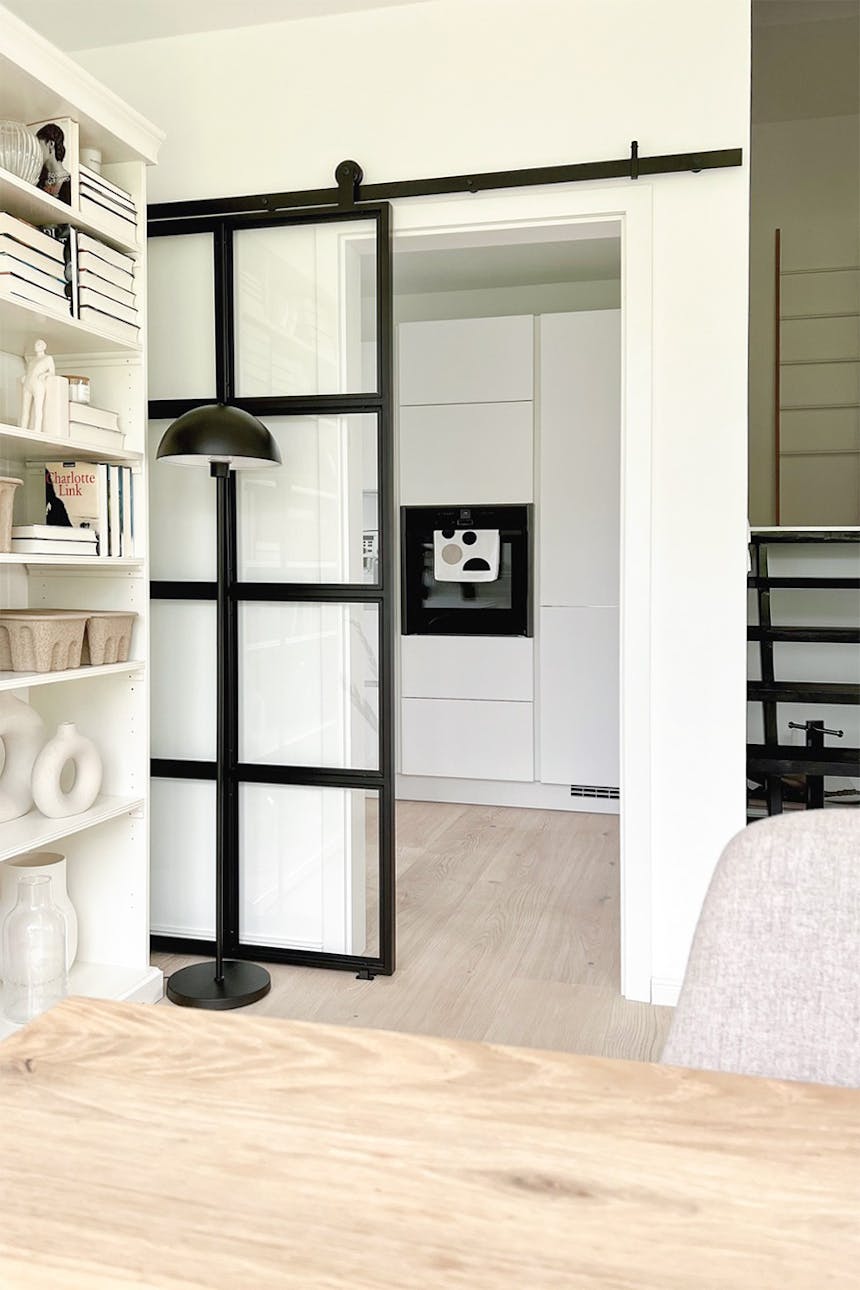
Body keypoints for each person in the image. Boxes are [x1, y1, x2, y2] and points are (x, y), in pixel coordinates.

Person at [19, 339, 55, 434]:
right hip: (27, 383)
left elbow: (52, 372)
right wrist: (25, 377)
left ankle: (37, 430)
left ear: (44, 346)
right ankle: (23, 430)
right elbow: (30, 371)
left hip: (37, 383)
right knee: (25, 409)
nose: (36, 345)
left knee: (38, 408)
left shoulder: (48, 358)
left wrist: (45, 375)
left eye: (39, 344)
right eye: (36, 344)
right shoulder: (32, 360)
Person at [36, 123, 71, 204]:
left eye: (39, 145)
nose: (36, 150)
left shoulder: (71, 185)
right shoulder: (39, 181)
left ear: (51, 144)